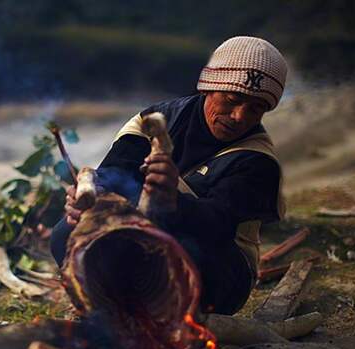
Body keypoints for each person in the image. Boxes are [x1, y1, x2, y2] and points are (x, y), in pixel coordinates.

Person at [50, 36, 287, 315]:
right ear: (211, 86)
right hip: (143, 236)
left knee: (180, 248)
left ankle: (160, 319)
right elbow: (114, 174)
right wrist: (87, 199)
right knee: (66, 232)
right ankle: (115, 307)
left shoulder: (259, 161)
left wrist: (171, 201)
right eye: (232, 99)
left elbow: (217, 224)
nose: (239, 116)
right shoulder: (154, 120)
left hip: (221, 269)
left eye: (256, 109)